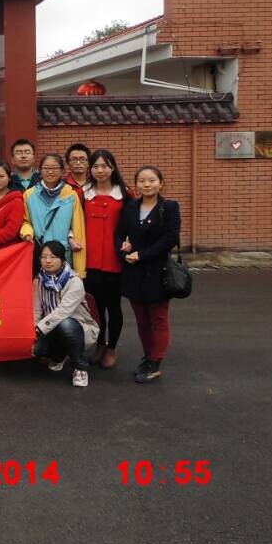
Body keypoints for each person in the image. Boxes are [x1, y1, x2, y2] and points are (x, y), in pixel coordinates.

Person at [116, 165, 181, 384]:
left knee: (158, 318)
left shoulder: (169, 207)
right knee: (142, 320)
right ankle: (147, 357)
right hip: (134, 271)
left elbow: (170, 238)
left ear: (161, 183)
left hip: (157, 271)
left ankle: (155, 361)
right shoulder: (131, 208)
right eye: (142, 181)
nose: (147, 184)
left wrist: (142, 255)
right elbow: (120, 234)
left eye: (152, 180)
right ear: (136, 185)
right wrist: (123, 247)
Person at [83, 149, 130, 369]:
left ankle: (112, 347)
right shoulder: (83, 193)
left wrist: (130, 242)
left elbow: (132, 224)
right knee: (96, 307)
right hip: (90, 260)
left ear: (112, 168)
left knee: (113, 306)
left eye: (105, 166)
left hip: (114, 260)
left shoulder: (125, 194)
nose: (100, 170)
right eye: (95, 166)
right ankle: (100, 344)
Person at [32, 241, 99, 388]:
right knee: (37, 349)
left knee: (66, 323)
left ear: (63, 259)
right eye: (44, 257)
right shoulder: (38, 281)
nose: (47, 261)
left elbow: (63, 311)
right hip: (51, 327)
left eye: (53, 257)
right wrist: (32, 332)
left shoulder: (74, 281)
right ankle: (59, 356)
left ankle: (80, 368)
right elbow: (36, 310)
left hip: (78, 327)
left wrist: (40, 328)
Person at [20, 153, 86, 277]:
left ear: (62, 171)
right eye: (46, 168)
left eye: (55, 168)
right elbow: (25, 221)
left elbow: (78, 229)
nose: (50, 172)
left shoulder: (71, 195)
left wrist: (80, 270)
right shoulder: (29, 195)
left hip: (63, 255)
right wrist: (27, 232)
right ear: (40, 171)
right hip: (40, 254)